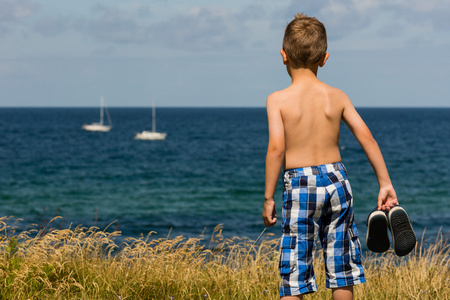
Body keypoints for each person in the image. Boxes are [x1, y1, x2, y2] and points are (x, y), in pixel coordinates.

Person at [262, 13, 399, 300]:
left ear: (283, 56)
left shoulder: (277, 100)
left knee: (295, 271)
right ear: (325, 58)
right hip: (337, 181)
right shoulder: (337, 96)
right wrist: (384, 183)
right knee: (341, 268)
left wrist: (269, 198)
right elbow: (367, 138)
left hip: (301, 186)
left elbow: (276, 149)